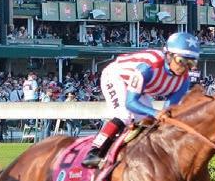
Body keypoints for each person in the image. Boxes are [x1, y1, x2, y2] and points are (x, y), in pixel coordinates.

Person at [82, 31, 201, 168]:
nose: (185, 68)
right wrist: (155, 112)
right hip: (116, 77)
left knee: (148, 122)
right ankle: (95, 151)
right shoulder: (148, 67)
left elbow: (167, 111)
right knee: (124, 115)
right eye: (181, 61)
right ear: (169, 55)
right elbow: (130, 103)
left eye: (191, 63)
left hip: (141, 88)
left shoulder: (184, 82)